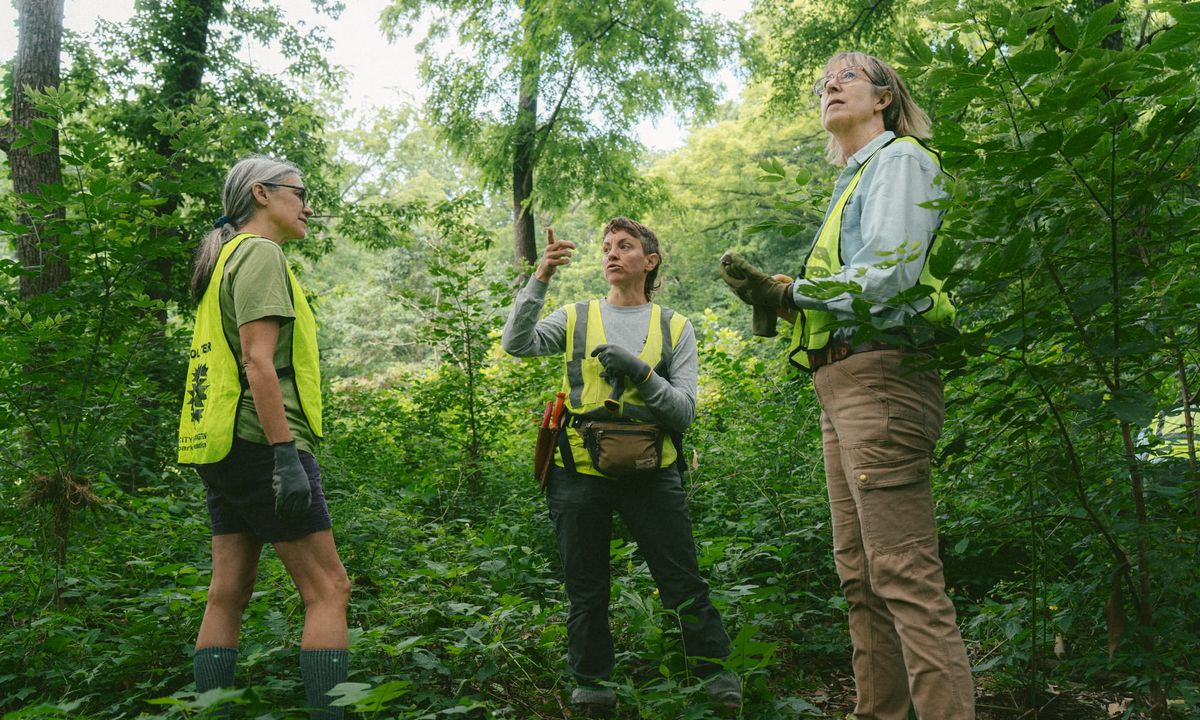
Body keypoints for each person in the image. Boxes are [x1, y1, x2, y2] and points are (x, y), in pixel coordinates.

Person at [720, 52, 975, 719]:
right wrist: (781, 297)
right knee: (862, 580)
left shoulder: (901, 162)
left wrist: (792, 294)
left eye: (846, 79)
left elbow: (888, 273)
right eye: (821, 82)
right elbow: (856, 274)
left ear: (884, 98)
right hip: (842, 382)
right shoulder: (856, 178)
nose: (828, 87)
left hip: (884, 375)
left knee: (905, 577)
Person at [502, 218, 741, 715]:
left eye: (625, 246)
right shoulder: (576, 316)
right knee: (586, 587)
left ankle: (715, 673)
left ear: (649, 261)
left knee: (682, 579)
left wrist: (640, 371)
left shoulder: (675, 326)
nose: (612, 254)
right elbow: (516, 344)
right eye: (606, 246)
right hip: (578, 472)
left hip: (654, 474)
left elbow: (684, 412)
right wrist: (540, 277)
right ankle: (592, 684)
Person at [177, 156, 351, 719]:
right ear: (261, 193)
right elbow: (257, 362)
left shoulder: (225, 257)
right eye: (300, 193)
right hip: (262, 443)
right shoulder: (259, 254)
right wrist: (285, 457)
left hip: (222, 445)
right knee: (329, 590)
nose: (308, 207)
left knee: (227, 593)